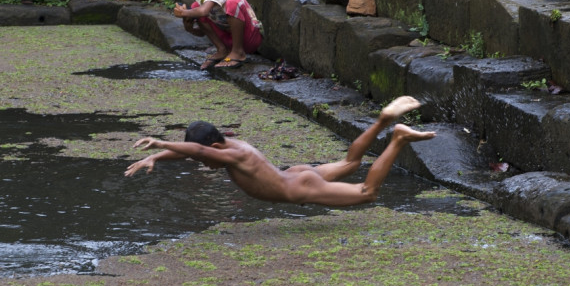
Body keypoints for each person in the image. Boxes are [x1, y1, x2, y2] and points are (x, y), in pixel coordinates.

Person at [124, 96, 436, 207]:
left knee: (368, 192)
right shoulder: (229, 144)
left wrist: (162, 142)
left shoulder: (232, 156)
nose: (203, 163)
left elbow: (194, 149)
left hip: (300, 186)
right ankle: (383, 120)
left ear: (215, 147)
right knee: (350, 161)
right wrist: (156, 156)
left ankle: (396, 138)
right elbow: (194, 151)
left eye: (206, 158)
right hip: (294, 175)